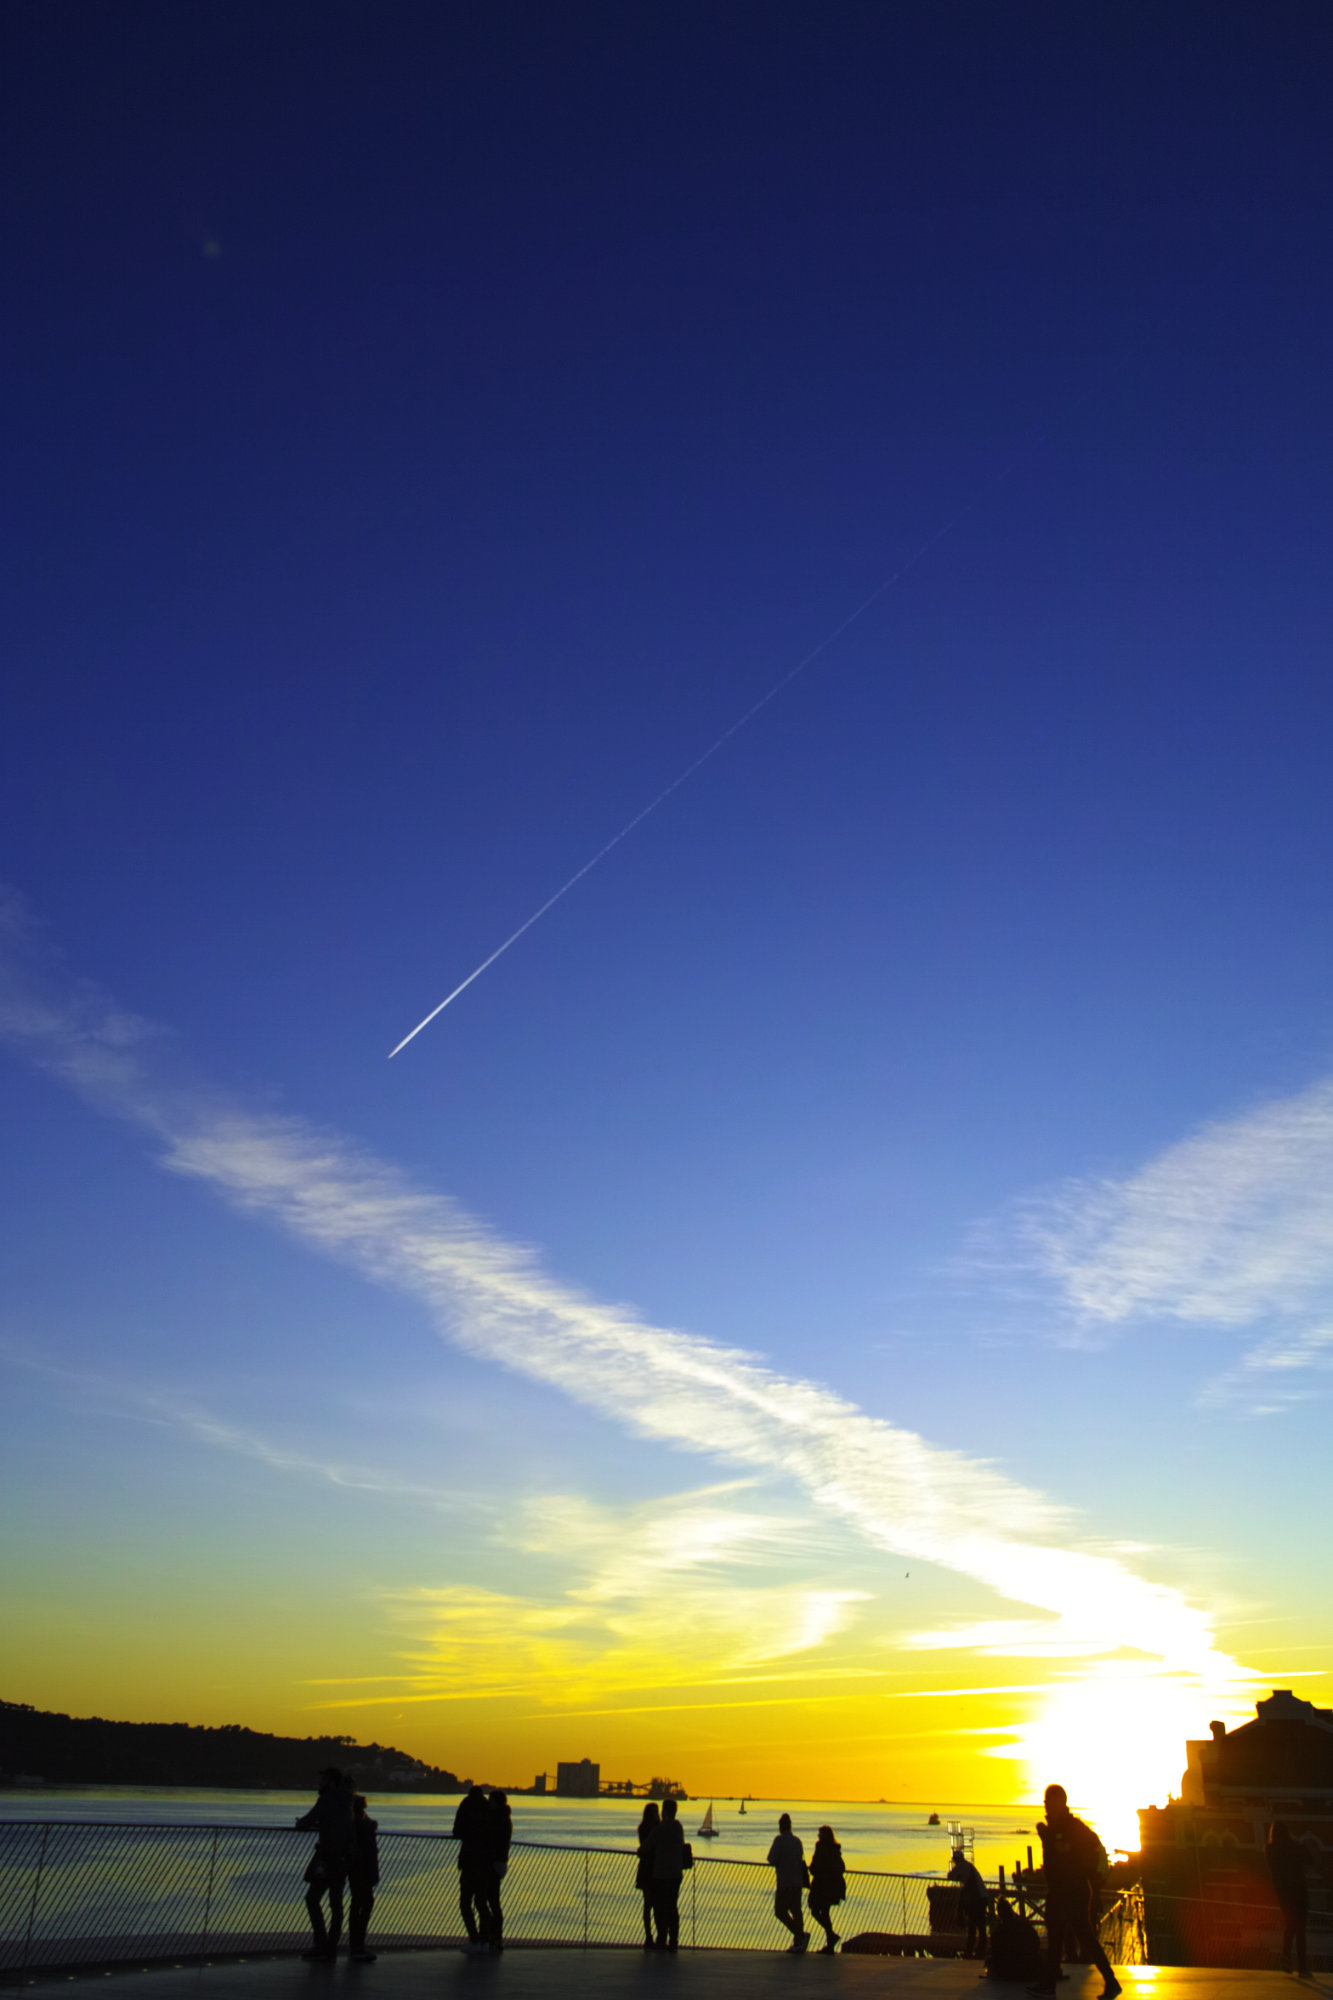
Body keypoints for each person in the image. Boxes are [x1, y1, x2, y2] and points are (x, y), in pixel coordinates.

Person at [1028, 1785, 1119, 2000]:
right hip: (1061, 1889)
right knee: (1059, 1937)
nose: (1045, 1805)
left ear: (1060, 1802)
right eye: (1045, 1801)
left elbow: (1082, 1848)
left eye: (1049, 1801)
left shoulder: (1070, 1826)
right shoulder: (1059, 1826)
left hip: (1071, 1890)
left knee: (1081, 1937)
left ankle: (1110, 1981)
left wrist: (1059, 1843)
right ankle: (1050, 1983)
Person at [296, 1766, 355, 1960]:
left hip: (326, 1859)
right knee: (336, 1905)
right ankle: (331, 1947)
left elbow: (307, 1821)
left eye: (323, 1780)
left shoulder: (327, 1800)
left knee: (312, 1899)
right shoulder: (346, 1801)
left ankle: (320, 1944)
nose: (319, 1784)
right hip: (342, 1859)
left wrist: (303, 1823)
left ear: (331, 1783)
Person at [451, 1783, 495, 1953]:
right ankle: (485, 1939)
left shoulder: (466, 1806)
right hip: (485, 1862)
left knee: (465, 1902)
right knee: (482, 1903)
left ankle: (474, 1938)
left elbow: (457, 1831)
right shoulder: (487, 1808)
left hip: (469, 1861)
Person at [1266, 1822, 1309, 1978]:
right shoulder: (1293, 1846)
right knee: (1300, 1929)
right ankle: (1302, 1968)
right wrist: (1297, 1841)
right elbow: (1309, 1859)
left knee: (1290, 1925)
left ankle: (1286, 1957)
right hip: (1299, 1892)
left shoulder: (1270, 1849)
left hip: (1284, 1895)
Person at [766, 1812, 809, 1953]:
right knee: (796, 1911)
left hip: (784, 1882)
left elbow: (771, 1859)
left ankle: (800, 1936)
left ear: (780, 1826)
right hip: (797, 1882)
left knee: (780, 1911)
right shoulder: (797, 1841)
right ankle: (799, 1940)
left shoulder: (779, 1841)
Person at [347, 1794, 380, 1963]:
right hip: (361, 1868)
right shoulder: (361, 1824)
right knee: (362, 1904)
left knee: (360, 1904)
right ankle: (356, 1945)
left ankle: (357, 1944)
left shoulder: (359, 1822)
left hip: (361, 1868)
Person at [651, 1796, 686, 1951]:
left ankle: (661, 1938)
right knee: (672, 1907)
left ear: (664, 1811)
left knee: (659, 1907)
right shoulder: (678, 1827)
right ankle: (673, 1940)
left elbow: (647, 1845)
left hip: (660, 1873)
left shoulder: (660, 1828)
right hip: (675, 1873)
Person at [481, 1790, 513, 1953]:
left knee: (489, 1901)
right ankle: (494, 1936)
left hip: (494, 1862)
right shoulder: (504, 1818)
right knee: (491, 1901)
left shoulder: (498, 1819)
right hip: (499, 1862)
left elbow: (493, 1838)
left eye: (491, 1800)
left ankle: (493, 1935)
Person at [807, 1825, 846, 1954]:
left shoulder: (821, 1848)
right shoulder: (835, 1849)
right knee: (825, 1912)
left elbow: (814, 1867)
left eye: (820, 1834)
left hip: (821, 1886)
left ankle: (831, 1936)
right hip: (832, 1886)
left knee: (815, 1910)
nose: (818, 1836)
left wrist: (812, 1868)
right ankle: (830, 1941)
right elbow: (841, 1867)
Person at [986, 1896, 1044, 1983]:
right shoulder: (1025, 1926)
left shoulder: (998, 1932)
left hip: (1007, 1972)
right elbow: (1036, 1943)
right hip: (1028, 1968)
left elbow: (995, 1953)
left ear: (999, 1914)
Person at [948, 1849, 989, 1957]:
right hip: (982, 1897)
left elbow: (950, 1876)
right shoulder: (968, 1866)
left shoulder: (962, 1866)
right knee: (980, 1926)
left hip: (977, 1899)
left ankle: (971, 1950)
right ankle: (980, 1950)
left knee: (973, 1926)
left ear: (956, 1860)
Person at [635, 1802, 661, 1947]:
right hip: (647, 1869)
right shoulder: (645, 1828)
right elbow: (645, 1845)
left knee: (656, 1905)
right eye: (654, 1812)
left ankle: (658, 1936)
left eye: (657, 1811)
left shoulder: (659, 1828)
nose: (656, 1814)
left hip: (655, 1868)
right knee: (648, 1905)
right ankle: (648, 1936)